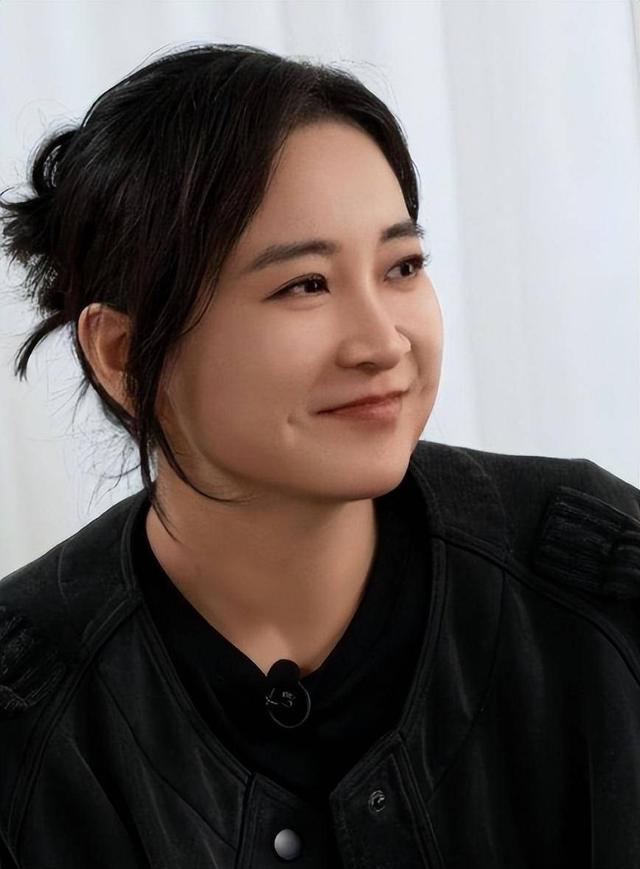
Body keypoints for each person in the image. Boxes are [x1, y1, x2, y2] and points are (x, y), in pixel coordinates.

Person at [1, 43, 640, 869]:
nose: (383, 341)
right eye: (305, 284)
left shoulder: (597, 583)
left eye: (402, 267)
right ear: (123, 355)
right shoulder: (28, 721)